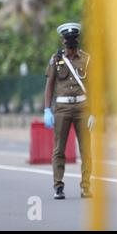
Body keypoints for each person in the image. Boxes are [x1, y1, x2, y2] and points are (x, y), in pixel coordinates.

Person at [44, 22, 94, 200]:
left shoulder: (86, 59)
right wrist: (47, 109)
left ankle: (86, 187)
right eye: (68, 42)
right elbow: (49, 85)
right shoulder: (56, 59)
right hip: (62, 109)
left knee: (86, 150)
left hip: (82, 108)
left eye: (73, 42)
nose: (71, 46)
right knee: (59, 149)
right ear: (63, 42)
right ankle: (58, 186)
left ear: (77, 41)